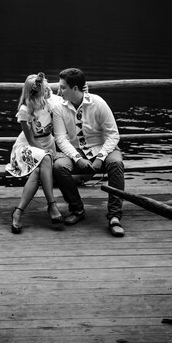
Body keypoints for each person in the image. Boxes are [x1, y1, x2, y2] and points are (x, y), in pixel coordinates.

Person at [52, 67, 125, 237]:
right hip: (76, 150)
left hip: (103, 146)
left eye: (63, 87)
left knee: (116, 163)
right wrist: (77, 158)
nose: (59, 91)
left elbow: (113, 134)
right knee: (59, 167)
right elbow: (61, 139)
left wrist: (101, 157)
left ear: (75, 89)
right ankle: (77, 209)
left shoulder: (98, 103)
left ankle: (114, 216)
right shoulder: (58, 108)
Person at [5, 72, 64, 234]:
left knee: (38, 170)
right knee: (44, 159)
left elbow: (67, 100)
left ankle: (18, 212)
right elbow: (31, 141)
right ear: (37, 92)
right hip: (27, 148)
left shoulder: (49, 102)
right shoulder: (25, 110)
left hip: (47, 145)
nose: (48, 90)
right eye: (45, 88)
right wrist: (46, 153)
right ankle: (52, 206)